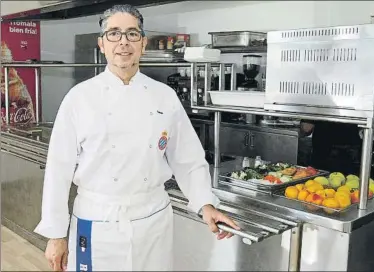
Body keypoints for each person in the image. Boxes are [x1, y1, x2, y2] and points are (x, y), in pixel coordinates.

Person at [34, 4, 239, 271]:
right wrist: (56, 234)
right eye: (114, 34)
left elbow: (187, 158)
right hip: (98, 222)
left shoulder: (164, 96)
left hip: (153, 221)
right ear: (102, 44)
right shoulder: (79, 98)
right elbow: (58, 170)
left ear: (143, 43)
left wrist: (205, 202)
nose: (123, 42)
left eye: (132, 34)